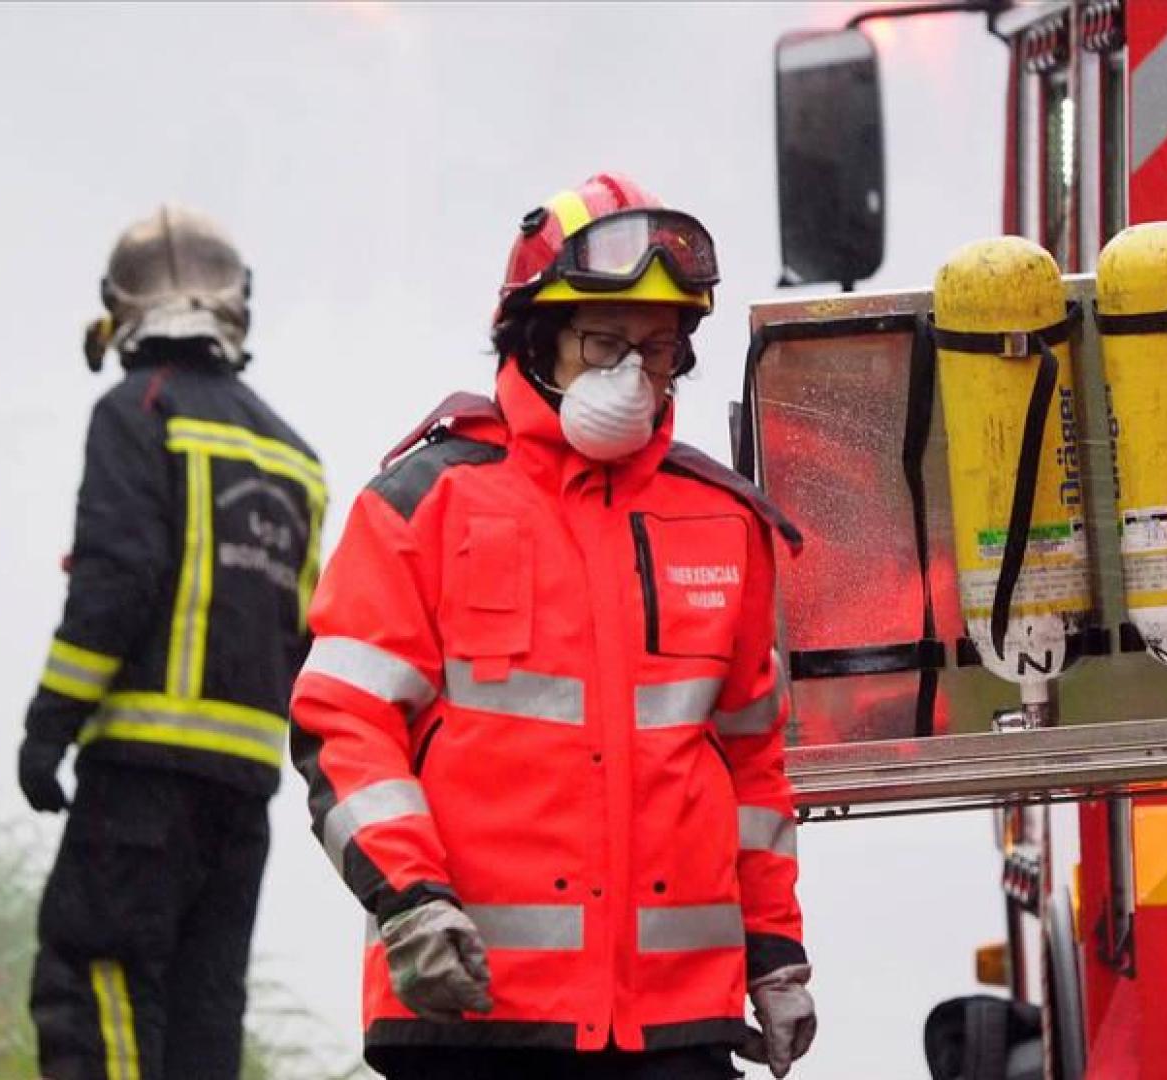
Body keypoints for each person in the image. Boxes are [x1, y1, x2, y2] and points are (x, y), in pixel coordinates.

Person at [289, 172, 816, 1080]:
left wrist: (773, 950)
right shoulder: (424, 505)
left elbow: (751, 768)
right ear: (535, 338)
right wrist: (410, 899)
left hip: (675, 1028)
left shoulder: (726, 524)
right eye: (605, 341)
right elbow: (345, 726)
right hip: (472, 1014)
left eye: (658, 349)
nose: (632, 373)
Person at [19, 205, 326, 1080]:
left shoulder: (135, 411)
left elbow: (116, 581)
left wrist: (49, 728)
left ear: (122, 310)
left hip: (141, 785)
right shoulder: (294, 457)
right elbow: (303, 635)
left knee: (99, 982)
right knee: (203, 1016)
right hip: (241, 795)